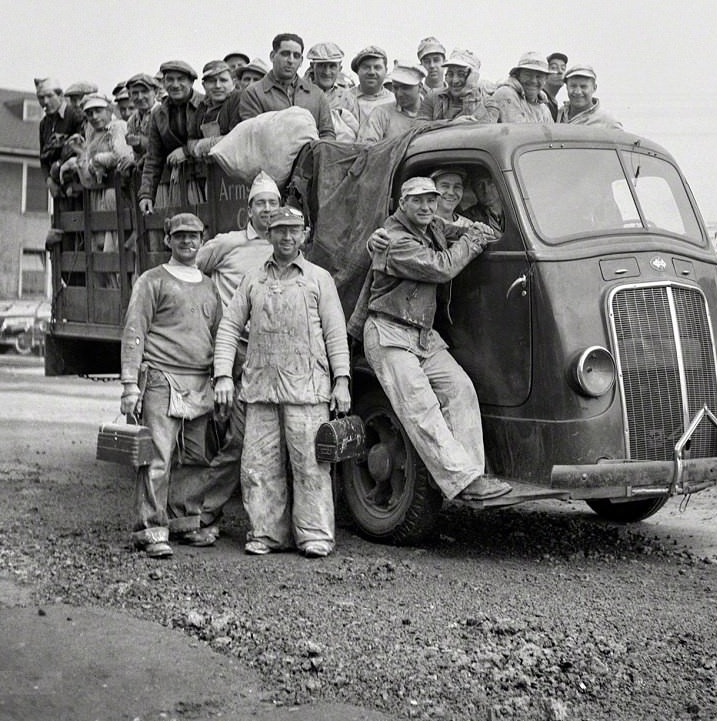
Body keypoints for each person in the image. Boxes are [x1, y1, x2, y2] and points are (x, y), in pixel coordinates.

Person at [351, 177, 511, 503]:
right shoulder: (394, 240)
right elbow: (442, 267)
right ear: (402, 203)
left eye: (431, 200)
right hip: (390, 333)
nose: (426, 207)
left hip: (422, 335)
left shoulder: (432, 226)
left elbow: (464, 230)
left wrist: (477, 231)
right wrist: (474, 239)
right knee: (421, 409)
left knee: (460, 389)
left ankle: (471, 476)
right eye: (418, 200)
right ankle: (463, 481)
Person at [213, 206, 351, 558]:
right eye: (279, 230)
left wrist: (342, 381)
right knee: (259, 465)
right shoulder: (252, 279)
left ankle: (315, 535)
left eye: (294, 230)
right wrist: (223, 375)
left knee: (311, 465)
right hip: (261, 389)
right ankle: (267, 533)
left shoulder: (319, 279)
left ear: (305, 234)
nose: (287, 237)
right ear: (268, 234)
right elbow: (229, 327)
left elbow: (336, 334)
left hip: (308, 389)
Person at [181, 171, 279, 543]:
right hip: (232, 352)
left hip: (271, 357)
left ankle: (269, 524)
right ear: (249, 209)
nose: (268, 211)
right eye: (261, 204)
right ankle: (199, 514)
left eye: (273, 203)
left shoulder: (285, 246)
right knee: (236, 437)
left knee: (268, 441)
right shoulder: (228, 244)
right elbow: (188, 273)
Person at [120, 212, 222, 558]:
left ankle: (186, 523)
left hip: (199, 381)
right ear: (168, 240)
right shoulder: (152, 281)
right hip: (161, 378)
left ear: (202, 239)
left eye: (193, 236)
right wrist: (130, 386)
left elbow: (219, 335)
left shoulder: (210, 286)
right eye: (180, 236)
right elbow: (135, 331)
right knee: (158, 457)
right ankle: (150, 529)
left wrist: (223, 377)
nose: (187, 242)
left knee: (195, 457)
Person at [67, 95, 132, 271]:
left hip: (116, 193)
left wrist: (99, 160)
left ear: (109, 110)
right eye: (89, 113)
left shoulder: (118, 127)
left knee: (116, 242)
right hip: (97, 195)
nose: (94, 116)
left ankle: (121, 287)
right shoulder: (91, 135)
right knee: (99, 242)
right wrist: (81, 156)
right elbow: (88, 175)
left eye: (98, 111)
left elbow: (122, 155)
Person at [235, 33, 335, 139]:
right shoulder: (253, 93)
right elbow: (252, 136)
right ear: (272, 56)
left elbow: (327, 134)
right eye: (285, 54)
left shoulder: (316, 95)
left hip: (311, 154)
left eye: (296, 56)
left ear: (301, 61)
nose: (290, 61)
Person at [138, 60, 204, 217]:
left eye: (180, 79)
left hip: (205, 179)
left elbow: (213, 139)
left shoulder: (204, 104)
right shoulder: (158, 114)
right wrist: (146, 194)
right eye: (170, 79)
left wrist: (187, 151)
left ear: (191, 82)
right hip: (176, 183)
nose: (175, 85)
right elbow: (153, 157)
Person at [35, 77, 85, 193]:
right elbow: (43, 158)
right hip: (57, 187)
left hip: (77, 184)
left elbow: (81, 149)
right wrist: (49, 181)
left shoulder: (74, 115)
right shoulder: (44, 124)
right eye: (41, 98)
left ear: (60, 96)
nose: (45, 101)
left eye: (49, 96)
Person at [357, 61, 427, 143]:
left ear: (420, 87)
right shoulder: (381, 114)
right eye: (396, 87)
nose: (399, 93)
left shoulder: (433, 112)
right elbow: (365, 147)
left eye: (405, 88)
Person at [417, 49, 493, 123]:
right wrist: (450, 123)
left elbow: (485, 130)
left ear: (473, 76)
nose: (454, 80)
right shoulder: (434, 97)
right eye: (450, 74)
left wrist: (469, 94)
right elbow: (417, 127)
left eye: (461, 74)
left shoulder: (487, 102)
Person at [304, 41, 359, 140]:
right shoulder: (300, 93)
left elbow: (355, 132)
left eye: (332, 66)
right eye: (322, 65)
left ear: (340, 68)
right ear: (312, 67)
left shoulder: (347, 98)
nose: (327, 72)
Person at [485, 52, 554, 124]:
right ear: (518, 75)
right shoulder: (506, 94)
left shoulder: (544, 108)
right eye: (528, 75)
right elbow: (517, 133)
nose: (533, 81)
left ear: (545, 80)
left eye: (539, 76)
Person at [556, 65, 623, 128]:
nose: (578, 92)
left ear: (594, 88)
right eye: (573, 86)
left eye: (583, 87)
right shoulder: (559, 113)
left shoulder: (608, 121)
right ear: (567, 87)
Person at [346, 45, 394, 127]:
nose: (371, 72)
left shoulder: (394, 101)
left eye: (377, 67)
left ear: (386, 71)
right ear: (358, 70)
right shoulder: (344, 99)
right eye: (366, 67)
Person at [123, 73, 160, 174]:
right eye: (135, 93)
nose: (140, 97)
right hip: (143, 175)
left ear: (156, 92)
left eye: (145, 91)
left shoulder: (164, 113)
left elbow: (165, 146)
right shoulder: (132, 120)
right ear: (129, 95)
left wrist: (141, 142)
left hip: (164, 175)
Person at [541, 52, 568, 121]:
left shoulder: (554, 104)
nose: (560, 72)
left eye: (563, 68)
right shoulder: (539, 99)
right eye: (554, 68)